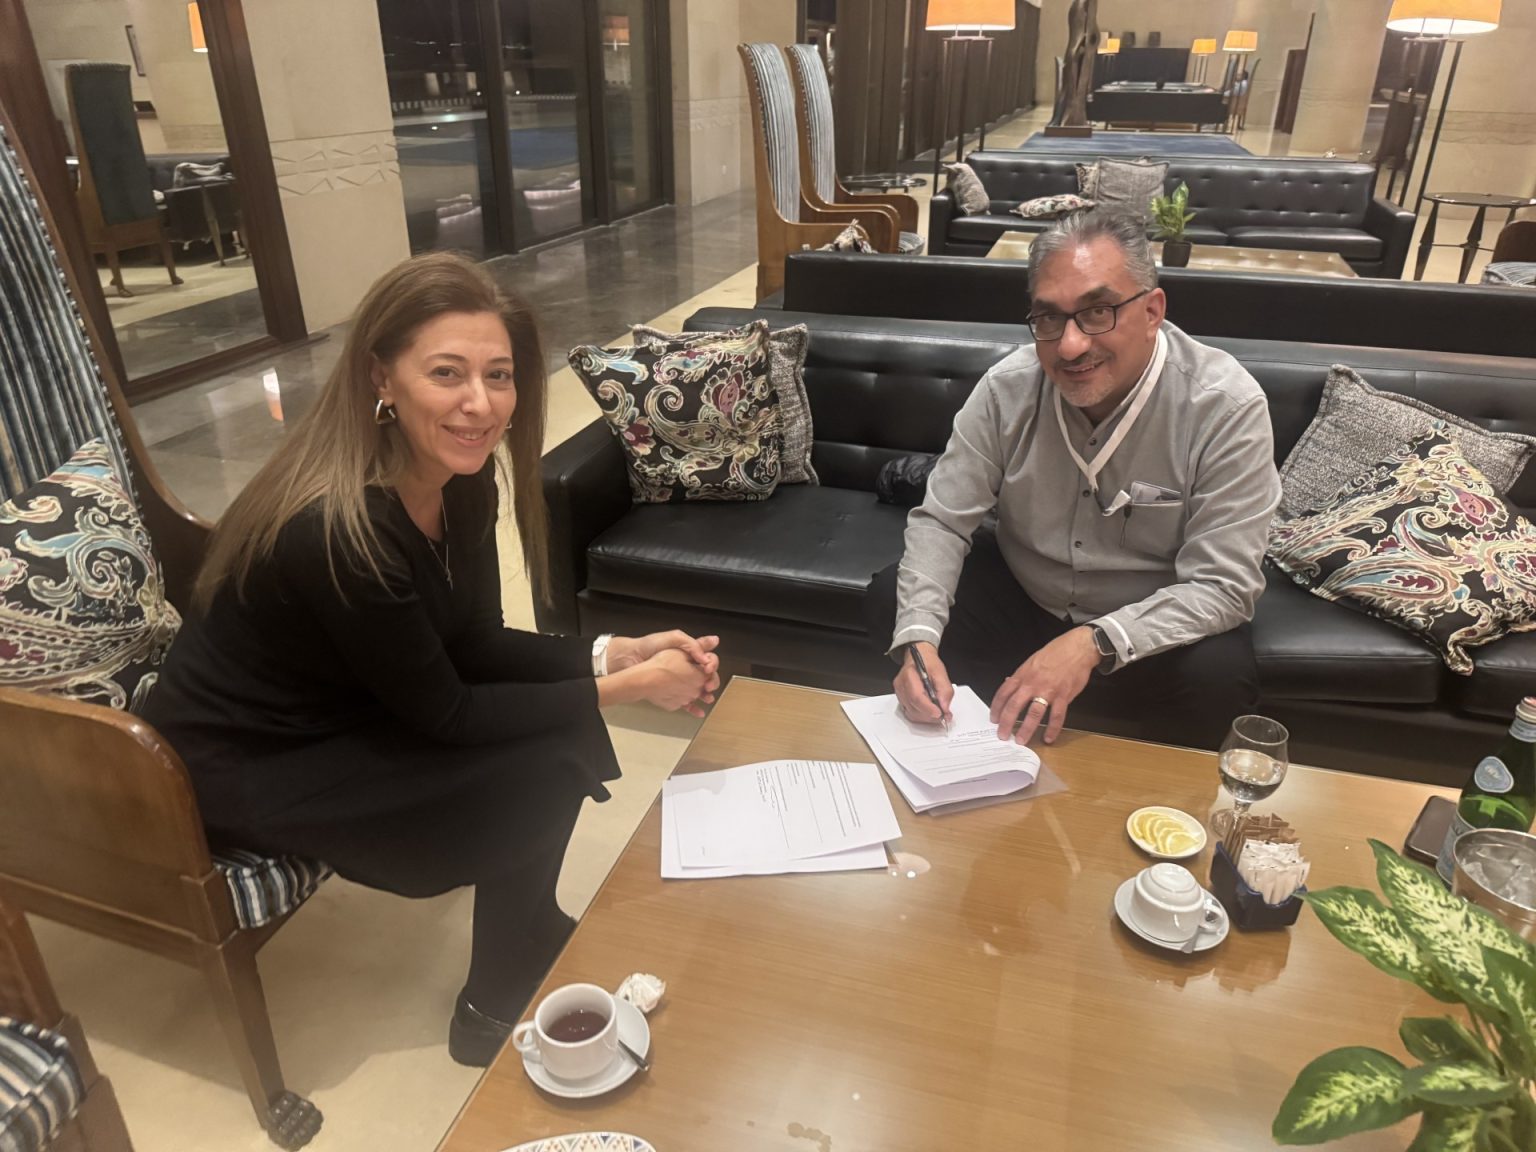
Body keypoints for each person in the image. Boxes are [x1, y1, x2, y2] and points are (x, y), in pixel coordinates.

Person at [143, 253, 721, 1067]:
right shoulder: (337, 528)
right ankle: (489, 1004)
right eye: (447, 373)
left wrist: (608, 652)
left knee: (561, 729)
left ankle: (526, 926)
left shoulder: (460, 480)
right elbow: (449, 711)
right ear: (382, 377)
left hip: (344, 702)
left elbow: (473, 639)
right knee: (543, 757)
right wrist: (626, 687)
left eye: (499, 375)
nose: (480, 403)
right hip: (247, 759)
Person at [869, 209, 1281, 751]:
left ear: (1152, 311)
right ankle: (967, 759)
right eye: (1048, 318)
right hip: (1028, 594)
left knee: (1218, 675)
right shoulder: (1006, 390)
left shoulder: (1225, 406)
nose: (1069, 346)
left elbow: (1224, 585)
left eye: (1097, 313)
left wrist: (1092, 642)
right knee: (894, 601)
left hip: (1148, 621)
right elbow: (943, 522)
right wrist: (919, 641)